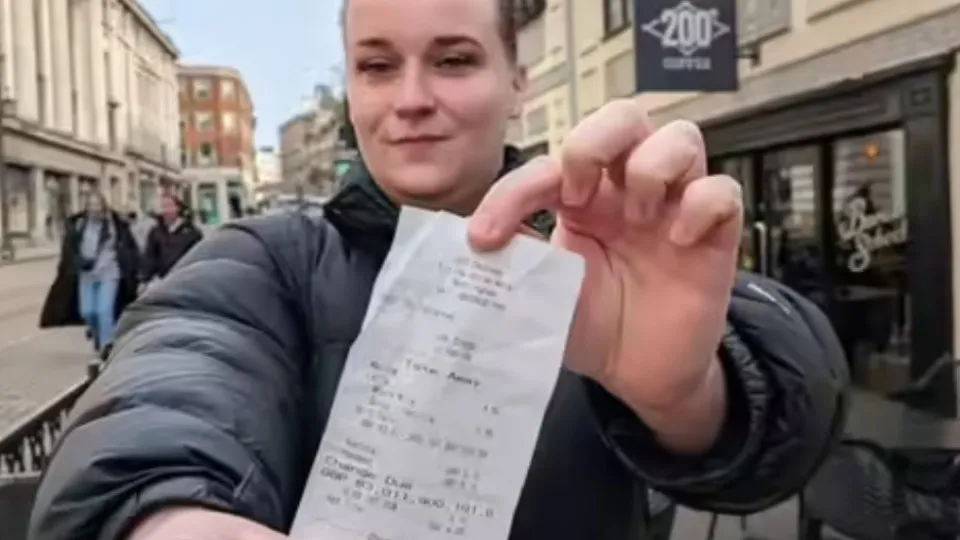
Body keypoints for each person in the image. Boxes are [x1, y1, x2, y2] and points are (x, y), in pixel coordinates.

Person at [28, 0, 849, 539]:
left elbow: (797, 417)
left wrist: (689, 396)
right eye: (377, 66)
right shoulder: (267, 258)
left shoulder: (604, 251)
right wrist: (168, 517)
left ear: (518, 84)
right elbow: (176, 373)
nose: (411, 98)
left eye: (453, 59)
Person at [38, 190, 139, 359]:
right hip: (86, 275)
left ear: (103, 206)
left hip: (109, 273)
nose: (94, 209)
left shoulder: (114, 225)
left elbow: (129, 248)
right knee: (88, 312)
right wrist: (71, 265)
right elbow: (69, 249)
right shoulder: (79, 224)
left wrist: (132, 269)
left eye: (97, 205)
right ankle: (97, 335)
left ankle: (107, 348)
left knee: (104, 311)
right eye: (91, 205)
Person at [138, 193, 203, 289]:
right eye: (163, 206)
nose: (166, 210)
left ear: (177, 208)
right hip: (164, 280)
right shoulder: (156, 231)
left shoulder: (191, 233)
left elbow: (199, 258)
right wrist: (144, 279)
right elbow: (149, 257)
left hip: (185, 280)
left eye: (169, 206)